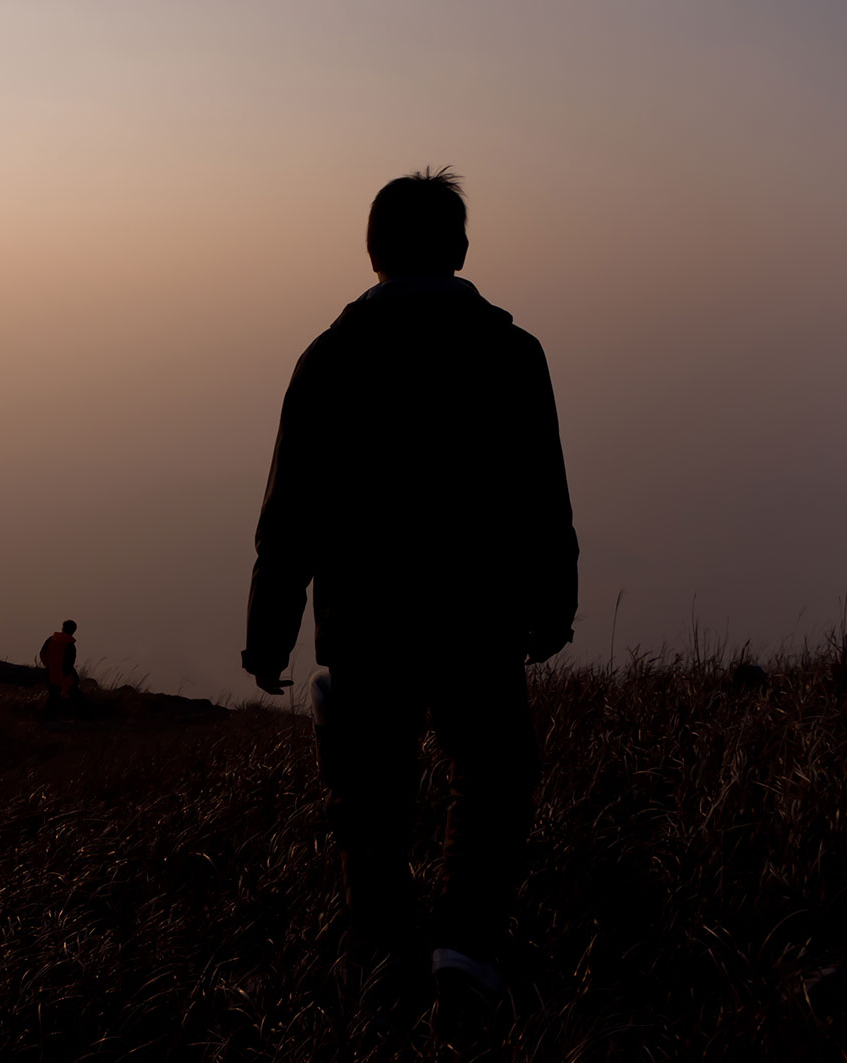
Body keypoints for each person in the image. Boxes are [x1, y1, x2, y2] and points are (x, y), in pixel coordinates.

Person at [241, 167, 578, 1004]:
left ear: (373, 252)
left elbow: (292, 513)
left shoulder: (330, 358)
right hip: (481, 617)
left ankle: (388, 962)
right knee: (495, 775)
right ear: (461, 248)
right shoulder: (511, 352)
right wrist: (553, 601)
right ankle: (465, 952)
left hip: (365, 623)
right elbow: (543, 491)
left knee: (371, 797)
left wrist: (269, 633)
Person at [40, 620, 81, 715]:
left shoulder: (51, 639)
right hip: (64, 675)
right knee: (77, 696)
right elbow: (70, 663)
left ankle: (48, 720)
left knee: (53, 698)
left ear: (62, 628)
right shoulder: (70, 645)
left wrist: (49, 666)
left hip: (51, 673)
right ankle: (85, 717)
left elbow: (42, 653)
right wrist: (68, 675)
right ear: (74, 631)